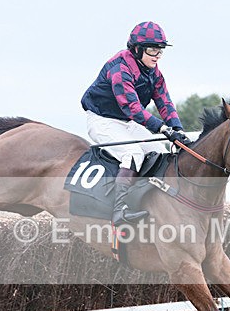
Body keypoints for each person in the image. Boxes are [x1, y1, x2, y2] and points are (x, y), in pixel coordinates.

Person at [81, 21, 191, 226]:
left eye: (160, 50)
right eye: (152, 50)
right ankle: (119, 210)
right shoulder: (120, 67)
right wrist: (163, 128)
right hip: (102, 120)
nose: (157, 55)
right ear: (137, 49)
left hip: (126, 122)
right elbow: (131, 107)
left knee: (158, 151)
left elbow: (164, 102)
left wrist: (177, 128)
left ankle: (151, 202)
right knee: (132, 153)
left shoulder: (154, 72)